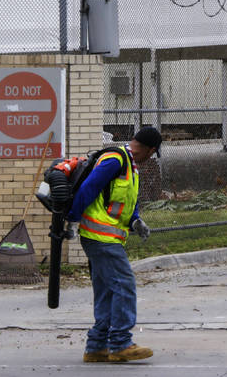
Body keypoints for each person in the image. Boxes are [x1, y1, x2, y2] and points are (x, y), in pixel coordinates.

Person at [66, 125, 162, 363]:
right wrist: (72, 220)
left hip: (107, 236)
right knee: (124, 284)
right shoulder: (115, 160)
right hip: (100, 237)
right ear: (151, 150)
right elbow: (89, 188)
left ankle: (97, 347)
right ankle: (120, 343)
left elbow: (123, 201)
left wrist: (135, 221)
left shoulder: (130, 167)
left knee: (108, 290)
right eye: (153, 154)